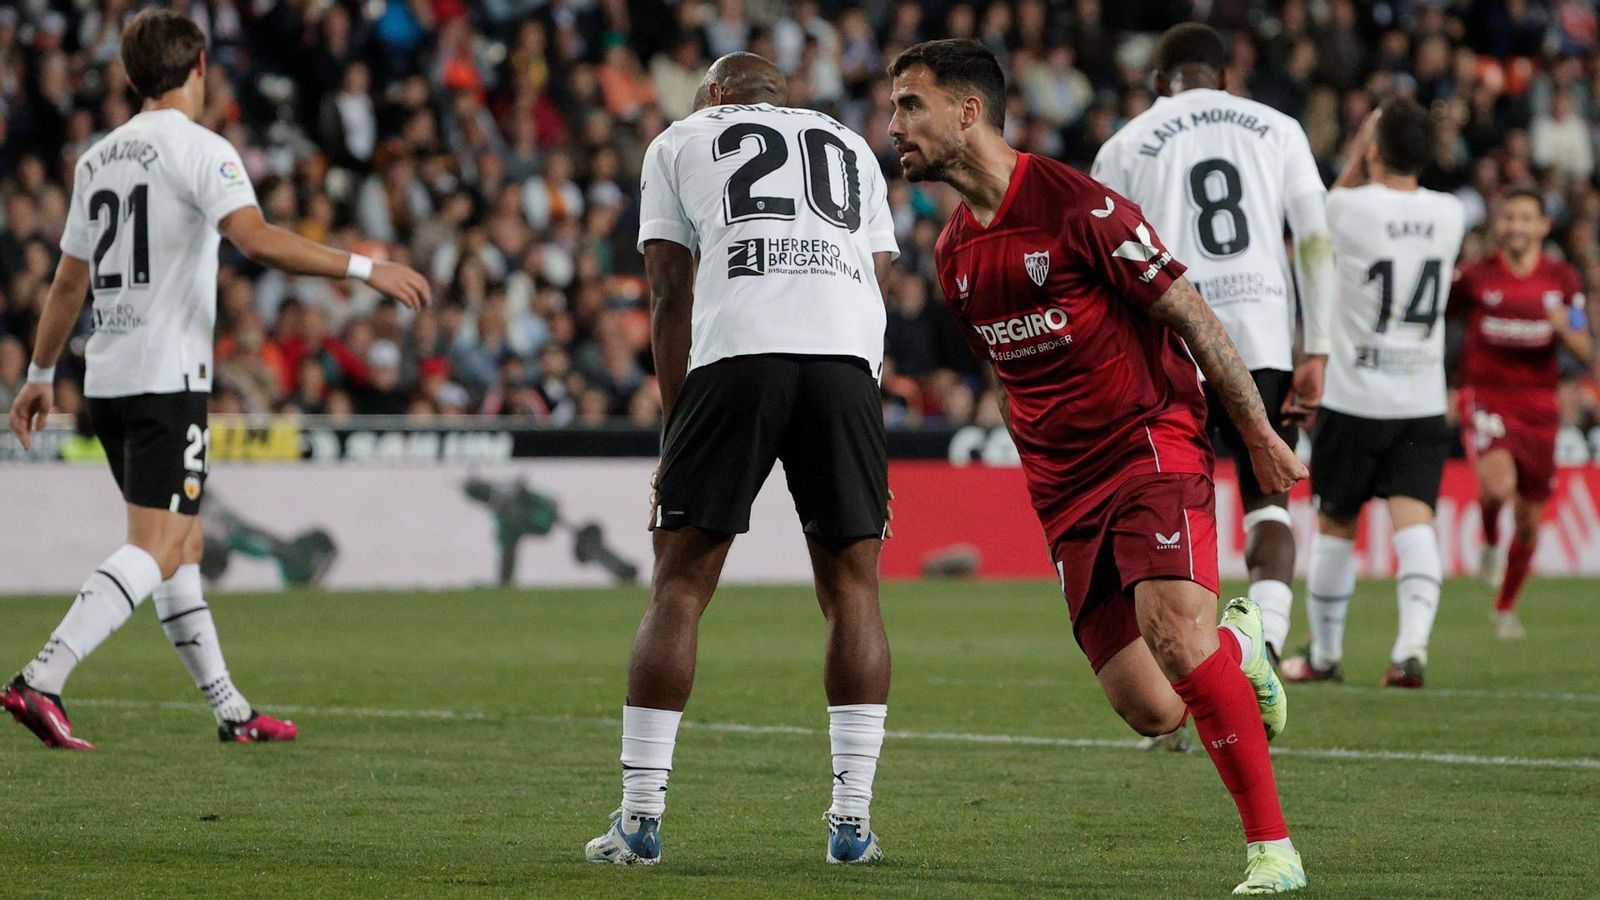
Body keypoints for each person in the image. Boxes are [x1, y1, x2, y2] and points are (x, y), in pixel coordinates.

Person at [889, 39, 1307, 894]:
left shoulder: (1078, 205)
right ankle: (1243, 642)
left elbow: (1188, 308)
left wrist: (1255, 430)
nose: (893, 125)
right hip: (1065, 489)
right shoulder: (954, 254)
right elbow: (1005, 377)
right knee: (1151, 706)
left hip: (1150, 440)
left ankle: (1274, 850)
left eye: (909, 105)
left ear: (968, 112)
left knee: (1176, 639)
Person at [3, 9, 430, 749]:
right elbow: (256, 240)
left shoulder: (97, 158)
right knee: (158, 543)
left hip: (105, 379)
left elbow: (68, 283)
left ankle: (232, 712)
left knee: (184, 545)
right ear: (200, 67)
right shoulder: (203, 150)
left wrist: (40, 372)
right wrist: (368, 267)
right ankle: (41, 679)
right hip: (167, 376)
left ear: (132, 76)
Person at [583, 52, 898, 867]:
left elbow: (666, 286)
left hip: (739, 354)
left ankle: (640, 818)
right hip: (845, 359)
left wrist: (675, 422)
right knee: (853, 588)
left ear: (717, 94)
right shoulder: (848, 142)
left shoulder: (682, 138)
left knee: (681, 583)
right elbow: (880, 271)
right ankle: (852, 824)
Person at [1091, 23, 1337, 672]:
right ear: (1224, 77)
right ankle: (1271, 645)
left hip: (1170, 347)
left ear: (1157, 83)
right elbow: (1315, 240)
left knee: (1173, 509)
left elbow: (1104, 265)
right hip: (1263, 341)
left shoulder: (1125, 145)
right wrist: (1320, 346)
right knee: (1269, 503)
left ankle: (1187, 677)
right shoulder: (1278, 128)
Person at [1278, 101, 1465, 689]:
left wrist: (1359, 149)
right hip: (1421, 396)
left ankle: (1326, 656)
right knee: (1415, 524)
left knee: (1335, 523)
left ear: (1374, 149)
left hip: (1354, 397)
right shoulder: (1451, 212)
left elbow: (1318, 225)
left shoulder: (1347, 205)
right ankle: (1411, 650)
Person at [1451, 189, 1592, 639]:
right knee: (1497, 485)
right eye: (1509, 217)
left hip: (1540, 406)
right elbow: (1440, 315)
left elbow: (1584, 345)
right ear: (1500, 224)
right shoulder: (1475, 277)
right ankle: (1491, 537)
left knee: (1530, 519)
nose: (1516, 225)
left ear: (1542, 227)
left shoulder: (1562, 279)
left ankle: (1506, 605)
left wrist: (1561, 328)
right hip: (1489, 397)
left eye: (1525, 218)